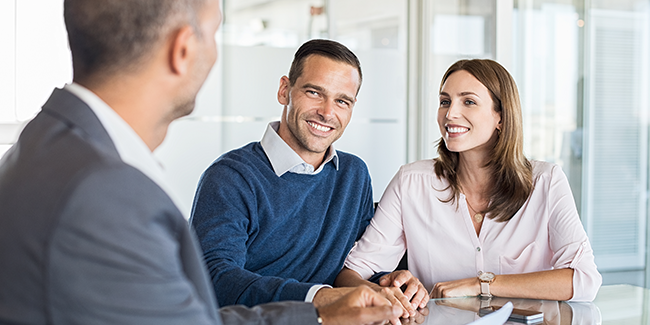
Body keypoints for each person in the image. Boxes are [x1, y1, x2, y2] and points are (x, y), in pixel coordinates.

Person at [0, 0, 403, 324]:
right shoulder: (106, 191)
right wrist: (319, 307)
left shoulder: (46, 153)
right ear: (183, 49)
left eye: (343, 100)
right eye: (213, 33)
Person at [190, 39, 427, 317]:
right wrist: (320, 296)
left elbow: (354, 266)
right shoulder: (230, 177)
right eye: (314, 92)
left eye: (342, 101)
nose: (327, 112)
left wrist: (392, 282)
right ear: (284, 90)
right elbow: (215, 280)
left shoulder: (353, 175)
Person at [336, 59, 602, 302]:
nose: (450, 114)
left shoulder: (545, 182)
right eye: (445, 101)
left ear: (500, 116)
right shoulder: (411, 183)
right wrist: (387, 294)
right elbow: (349, 275)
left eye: (469, 102)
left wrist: (481, 284)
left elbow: (584, 280)